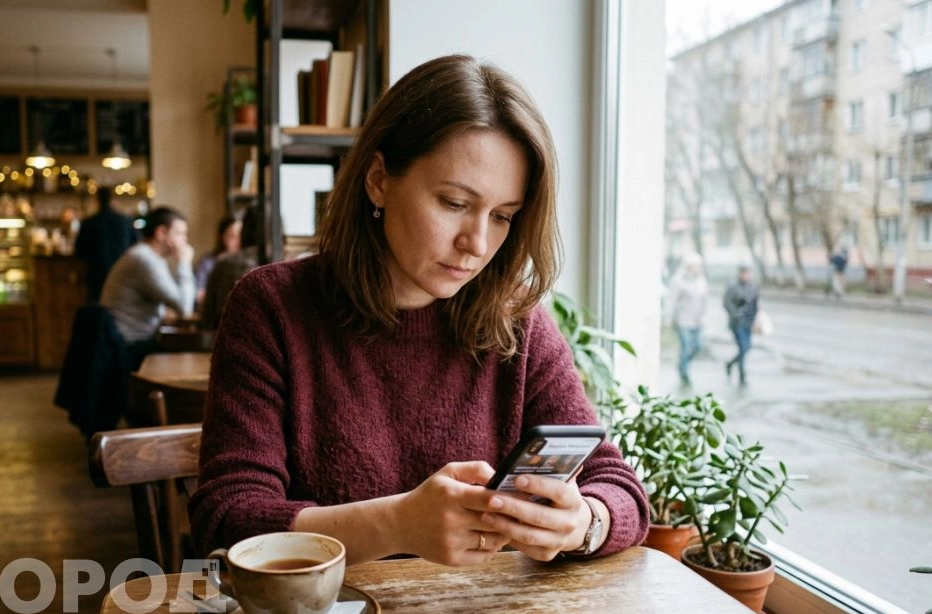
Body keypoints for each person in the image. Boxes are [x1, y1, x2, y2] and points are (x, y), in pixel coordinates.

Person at [188, 54, 648, 568]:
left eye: (502, 216)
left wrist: (584, 522)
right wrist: (396, 525)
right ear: (379, 179)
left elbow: (619, 487)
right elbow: (228, 519)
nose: (477, 243)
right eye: (453, 203)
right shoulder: (273, 308)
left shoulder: (515, 319)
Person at [99, 205, 195, 369]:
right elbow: (185, 307)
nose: (184, 240)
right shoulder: (145, 260)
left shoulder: (149, 256)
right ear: (161, 233)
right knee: (190, 356)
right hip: (130, 347)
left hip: (128, 341)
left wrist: (162, 313)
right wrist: (184, 263)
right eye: (179, 233)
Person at [74, 188, 138, 302]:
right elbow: (136, 245)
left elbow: (79, 250)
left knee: (98, 307)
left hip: (96, 274)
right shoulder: (125, 221)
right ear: (112, 199)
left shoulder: (89, 223)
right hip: (122, 270)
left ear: (96, 200)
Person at [668, 252, 708, 387]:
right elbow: (671, 300)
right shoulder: (678, 280)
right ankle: (684, 372)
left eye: (698, 266)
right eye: (693, 266)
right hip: (683, 320)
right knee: (686, 347)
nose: (696, 268)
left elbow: (704, 301)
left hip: (697, 321)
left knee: (698, 346)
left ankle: (683, 363)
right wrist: (668, 317)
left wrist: (703, 317)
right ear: (687, 266)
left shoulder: (701, 281)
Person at [194, 214, 243, 308]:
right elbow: (198, 294)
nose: (237, 241)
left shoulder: (249, 263)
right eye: (232, 236)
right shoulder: (208, 261)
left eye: (240, 236)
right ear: (222, 237)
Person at [723, 265, 759, 386]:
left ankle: (730, 364)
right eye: (744, 274)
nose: (747, 276)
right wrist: (736, 314)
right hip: (737, 323)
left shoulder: (752, 287)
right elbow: (726, 303)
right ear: (739, 274)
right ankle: (742, 377)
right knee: (743, 348)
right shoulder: (733, 287)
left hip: (748, 323)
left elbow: (755, 305)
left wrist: (756, 321)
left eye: (748, 274)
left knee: (747, 348)